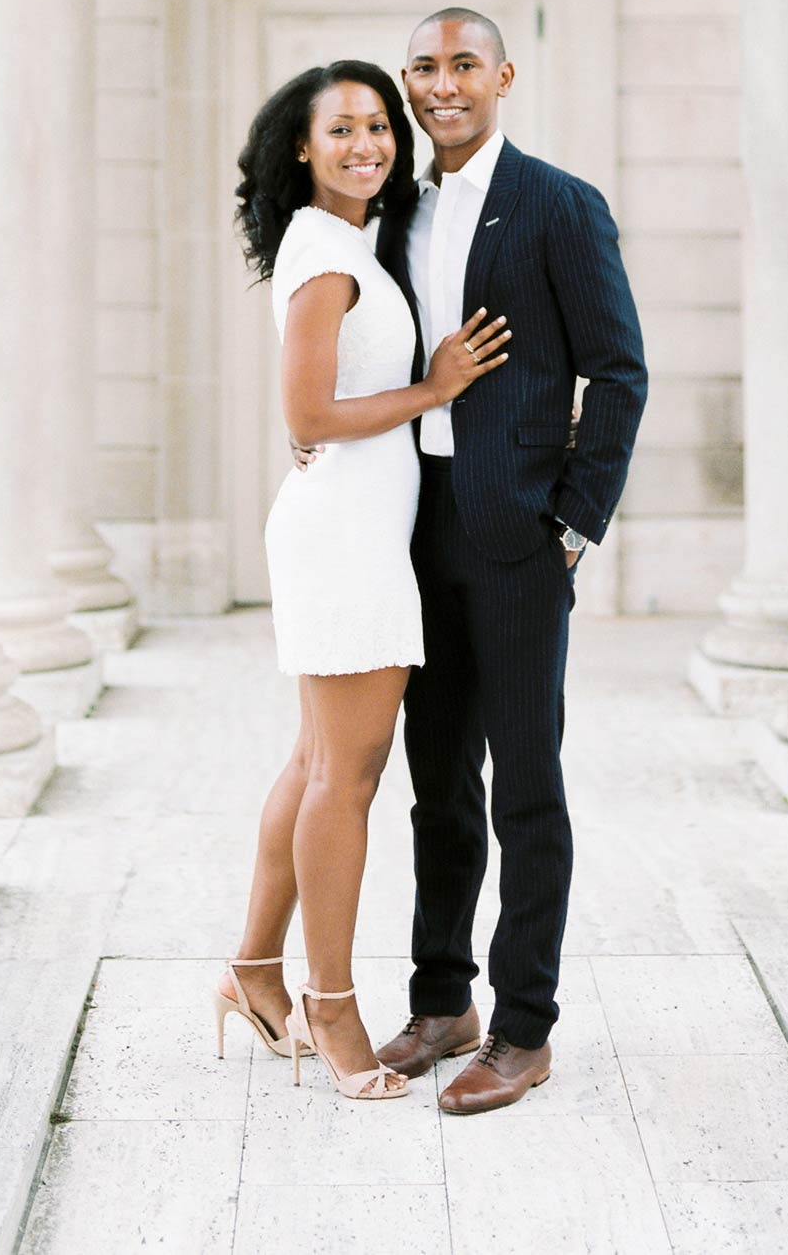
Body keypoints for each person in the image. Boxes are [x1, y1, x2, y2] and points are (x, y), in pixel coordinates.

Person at [214, 58, 511, 1101]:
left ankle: (254, 972)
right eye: (339, 129)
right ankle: (329, 1007)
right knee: (348, 778)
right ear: (301, 148)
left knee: (315, 762)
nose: (366, 144)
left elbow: (328, 408)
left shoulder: (342, 243)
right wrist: (433, 386)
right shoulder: (327, 256)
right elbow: (306, 417)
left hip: (352, 525)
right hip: (343, 534)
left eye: (378, 126)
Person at [375, 8, 648, 1113]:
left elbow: (618, 373)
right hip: (411, 525)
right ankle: (443, 998)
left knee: (525, 786)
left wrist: (573, 523)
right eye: (426, 68)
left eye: (463, 66)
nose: (444, 86)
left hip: (521, 532)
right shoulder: (397, 208)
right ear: (410, 79)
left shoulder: (558, 203)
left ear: (503, 75)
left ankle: (524, 1027)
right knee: (435, 784)